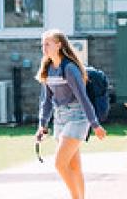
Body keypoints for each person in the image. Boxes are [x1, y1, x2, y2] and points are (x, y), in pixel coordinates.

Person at [36, 30, 108, 199]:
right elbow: (46, 100)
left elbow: (83, 98)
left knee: (59, 163)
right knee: (74, 167)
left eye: (48, 43)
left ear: (59, 45)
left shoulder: (69, 68)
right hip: (60, 117)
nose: (44, 47)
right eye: (42, 44)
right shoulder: (47, 68)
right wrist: (42, 125)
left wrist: (95, 124)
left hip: (78, 116)